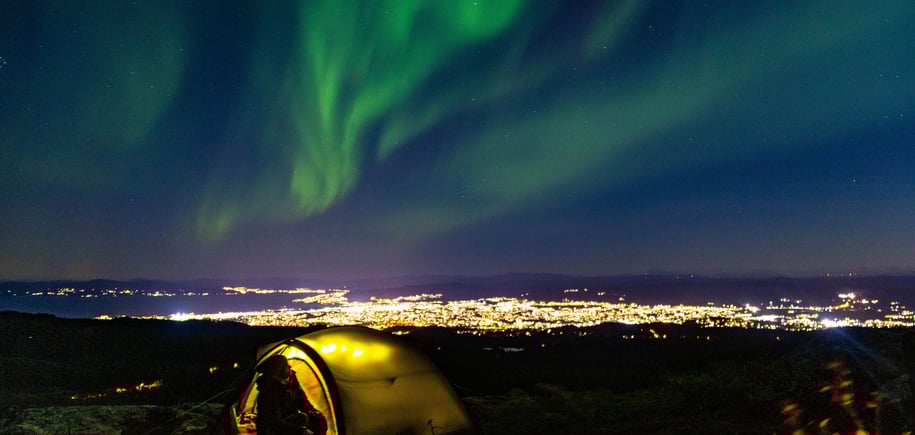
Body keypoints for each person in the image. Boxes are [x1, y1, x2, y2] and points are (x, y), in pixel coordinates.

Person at [255, 354, 325, 435]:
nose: (289, 368)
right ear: (279, 370)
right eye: (286, 366)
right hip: (269, 430)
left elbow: (301, 400)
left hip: (282, 422)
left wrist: (312, 412)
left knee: (306, 417)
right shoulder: (268, 392)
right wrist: (301, 431)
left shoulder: (287, 383)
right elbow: (275, 422)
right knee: (302, 420)